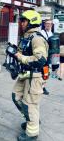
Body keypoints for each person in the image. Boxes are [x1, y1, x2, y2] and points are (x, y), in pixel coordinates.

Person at [12, 10, 48, 141]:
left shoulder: (37, 38)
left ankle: (32, 132)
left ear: (31, 22)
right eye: (21, 20)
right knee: (16, 97)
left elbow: (40, 59)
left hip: (35, 76)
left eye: (24, 21)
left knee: (30, 104)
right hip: (25, 74)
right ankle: (31, 119)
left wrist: (21, 57)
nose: (21, 23)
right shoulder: (27, 36)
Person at [40, 19, 53, 95]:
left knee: (46, 72)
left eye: (50, 24)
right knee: (38, 72)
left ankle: (43, 87)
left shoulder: (51, 33)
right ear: (44, 24)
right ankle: (38, 86)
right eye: (47, 23)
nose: (48, 25)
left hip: (48, 57)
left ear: (52, 25)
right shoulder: (41, 33)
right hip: (41, 56)